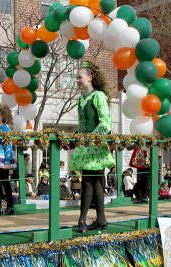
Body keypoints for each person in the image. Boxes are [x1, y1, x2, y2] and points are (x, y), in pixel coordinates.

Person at [69, 61, 115, 233]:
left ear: (90, 78)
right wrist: (80, 139)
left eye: (80, 77)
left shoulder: (98, 96)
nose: (77, 80)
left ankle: (82, 220)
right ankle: (101, 218)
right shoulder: (81, 99)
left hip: (95, 144)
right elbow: (82, 124)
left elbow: (106, 121)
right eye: (77, 78)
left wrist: (94, 138)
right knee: (94, 181)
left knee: (89, 181)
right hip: (85, 144)